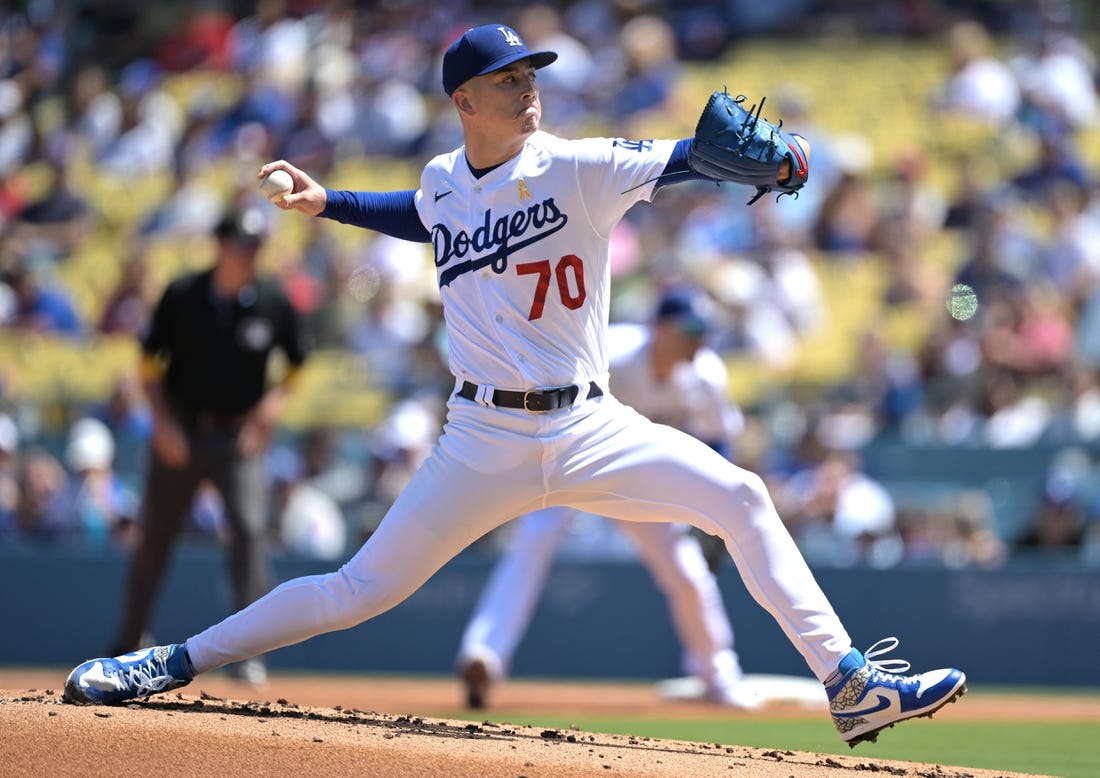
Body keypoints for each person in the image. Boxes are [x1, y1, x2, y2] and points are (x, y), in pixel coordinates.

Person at [65, 24, 965, 748]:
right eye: (507, 79)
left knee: (740, 494)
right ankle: (170, 661)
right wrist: (328, 202)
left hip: (590, 425)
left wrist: (772, 158)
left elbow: (691, 155)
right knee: (354, 592)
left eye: (530, 72)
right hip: (480, 441)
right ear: (465, 100)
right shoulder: (441, 180)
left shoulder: (577, 166)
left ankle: (851, 684)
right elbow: (423, 216)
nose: (528, 85)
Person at [455, 286, 757, 710]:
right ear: (658, 328)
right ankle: (483, 657)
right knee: (532, 545)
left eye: (704, 330)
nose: (699, 340)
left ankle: (719, 674)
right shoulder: (610, 351)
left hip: (636, 477)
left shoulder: (706, 373)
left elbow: (717, 440)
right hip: (566, 457)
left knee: (685, 570)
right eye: (690, 328)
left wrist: (709, 509)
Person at [102, 204, 309, 687]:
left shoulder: (272, 302)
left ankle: (251, 652)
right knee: (155, 535)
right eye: (241, 244)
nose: (249, 254)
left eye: (256, 246)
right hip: (181, 429)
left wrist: (267, 412)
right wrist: (162, 424)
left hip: (235, 436)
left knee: (250, 528)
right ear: (219, 245)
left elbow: (297, 365)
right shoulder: (183, 295)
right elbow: (149, 366)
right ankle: (129, 639)